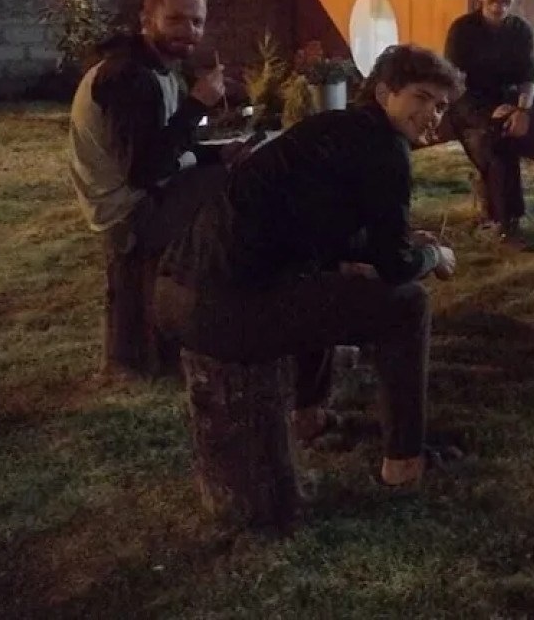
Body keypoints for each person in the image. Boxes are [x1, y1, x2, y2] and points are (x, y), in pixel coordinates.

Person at [154, 44, 462, 489]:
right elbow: (395, 268)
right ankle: (405, 460)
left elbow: (323, 229)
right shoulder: (385, 149)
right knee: (408, 305)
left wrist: (395, 246)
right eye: (421, 96)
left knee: (323, 281)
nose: (432, 113)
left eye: (441, 105)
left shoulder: (328, 129)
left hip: (173, 294)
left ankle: (309, 417)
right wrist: (434, 256)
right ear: (383, 93)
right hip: (224, 313)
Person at [69, 0, 244, 375]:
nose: (189, 31)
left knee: (232, 171)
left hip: (142, 195)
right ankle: (220, 318)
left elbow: (166, 146)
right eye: (176, 20)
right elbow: (144, 172)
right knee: (235, 192)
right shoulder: (130, 77)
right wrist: (198, 104)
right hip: (128, 212)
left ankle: (200, 314)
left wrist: (218, 154)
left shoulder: (159, 68)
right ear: (146, 20)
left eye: (197, 22)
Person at [441, 0, 534, 244]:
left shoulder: (520, 31)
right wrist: (489, 112)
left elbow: (529, 76)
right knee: (497, 139)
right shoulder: (463, 30)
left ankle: (504, 216)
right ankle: (506, 218)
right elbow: (454, 82)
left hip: (508, 104)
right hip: (469, 105)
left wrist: (523, 110)